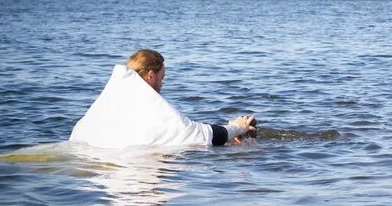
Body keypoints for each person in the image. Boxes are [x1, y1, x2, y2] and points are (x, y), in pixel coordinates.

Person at [70, 49, 256, 148]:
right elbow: (200, 134)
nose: (162, 84)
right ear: (151, 75)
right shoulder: (148, 104)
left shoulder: (111, 99)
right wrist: (238, 126)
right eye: (162, 78)